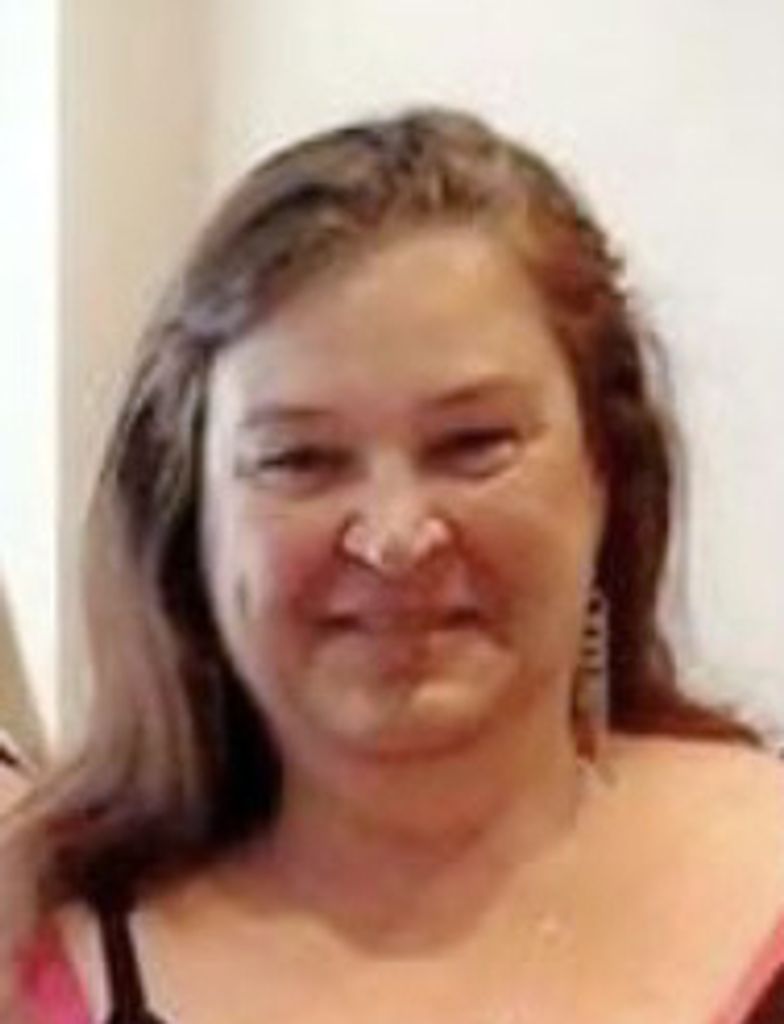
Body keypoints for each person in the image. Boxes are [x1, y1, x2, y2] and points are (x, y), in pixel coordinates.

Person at [2, 107, 783, 1024]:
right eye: (301, 460)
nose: (396, 536)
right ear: (191, 519)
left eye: (473, 444)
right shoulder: (34, 953)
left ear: (605, 468)